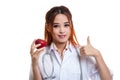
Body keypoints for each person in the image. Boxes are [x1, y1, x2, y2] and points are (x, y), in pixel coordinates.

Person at [29, 5, 112, 80]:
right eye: (56, 26)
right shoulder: (40, 56)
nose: (62, 31)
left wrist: (97, 54)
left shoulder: (82, 52)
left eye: (66, 25)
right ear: (48, 28)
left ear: (71, 26)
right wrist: (34, 65)